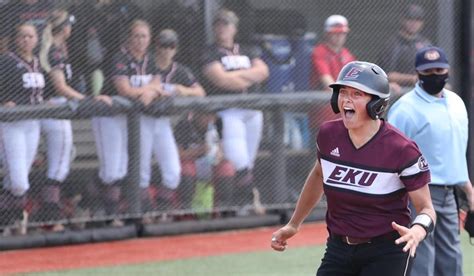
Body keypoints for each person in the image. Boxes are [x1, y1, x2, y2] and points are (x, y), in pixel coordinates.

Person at [271, 61, 436, 276]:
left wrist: (417, 230)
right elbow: (319, 174)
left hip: (387, 251)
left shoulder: (402, 149)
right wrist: (294, 224)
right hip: (339, 248)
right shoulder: (328, 135)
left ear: (377, 104)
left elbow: (427, 209)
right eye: (343, 92)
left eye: (357, 94)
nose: (347, 99)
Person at [387, 46, 474, 276]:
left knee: (452, 258)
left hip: (449, 194)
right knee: (422, 257)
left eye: (439, 69)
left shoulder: (456, 102)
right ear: (417, 73)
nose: (435, 74)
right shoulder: (405, 109)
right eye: (428, 70)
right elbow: (390, 155)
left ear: (448, 70)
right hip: (417, 192)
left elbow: (456, 149)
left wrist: (467, 186)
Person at [91, 19, 160, 224]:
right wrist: (149, 91)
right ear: (129, 37)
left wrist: (153, 90)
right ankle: (91, 204)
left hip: (130, 118)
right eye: (136, 36)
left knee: (124, 167)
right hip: (109, 115)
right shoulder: (119, 57)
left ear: (149, 39)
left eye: (144, 36)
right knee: (112, 169)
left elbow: (158, 83)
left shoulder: (150, 59)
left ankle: (113, 214)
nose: (140, 40)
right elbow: (125, 90)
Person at [201, 9, 269, 207]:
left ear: (234, 28)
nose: (222, 28)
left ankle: (243, 204)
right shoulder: (209, 51)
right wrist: (247, 76)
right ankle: (249, 202)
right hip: (228, 111)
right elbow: (220, 79)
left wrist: (235, 78)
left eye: (226, 24)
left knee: (249, 161)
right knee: (239, 161)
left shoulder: (247, 49)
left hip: (253, 110)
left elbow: (263, 71)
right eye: (219, 24)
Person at [140, 28, 205, 211]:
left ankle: (161, 211)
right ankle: (142, 213)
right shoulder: (145, 65)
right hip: (142, 120)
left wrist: (181, 89)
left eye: (171, 46)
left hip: (162, 123)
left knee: (173, 172)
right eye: (163, 45)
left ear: (176, 49)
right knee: (141, 172)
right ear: (156, 46)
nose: (166, 50)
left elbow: (200, 92)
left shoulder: (180, 71)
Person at [0, 23, 45, 235]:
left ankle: (9, 221)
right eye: (22, 36)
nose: (26, 40)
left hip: (32, 124)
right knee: (18, 182)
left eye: (30, 36)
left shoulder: (38, 62)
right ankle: (15, 219)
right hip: (12, 125)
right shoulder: (7, 61)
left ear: (36, 39)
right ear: (16, 39)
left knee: (17, 179)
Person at [308, 14, 355, 146]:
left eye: (342, 33)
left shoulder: (347, 54)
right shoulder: (319, 52)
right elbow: (328, 84)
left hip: (344, 116)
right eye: (335, 33)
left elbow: (358, 79)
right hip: (322, 118)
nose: (339, 37)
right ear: (327, 34)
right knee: (319, 159)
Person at [378, 4, 431, 93]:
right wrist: (412, 79)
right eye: (410, 18)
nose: (414, 23)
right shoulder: (393, 44)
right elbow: (386, 75)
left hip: (423, 92)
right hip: (400, 92)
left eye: (418, 19)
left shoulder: (426, 44)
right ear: (402, 19)